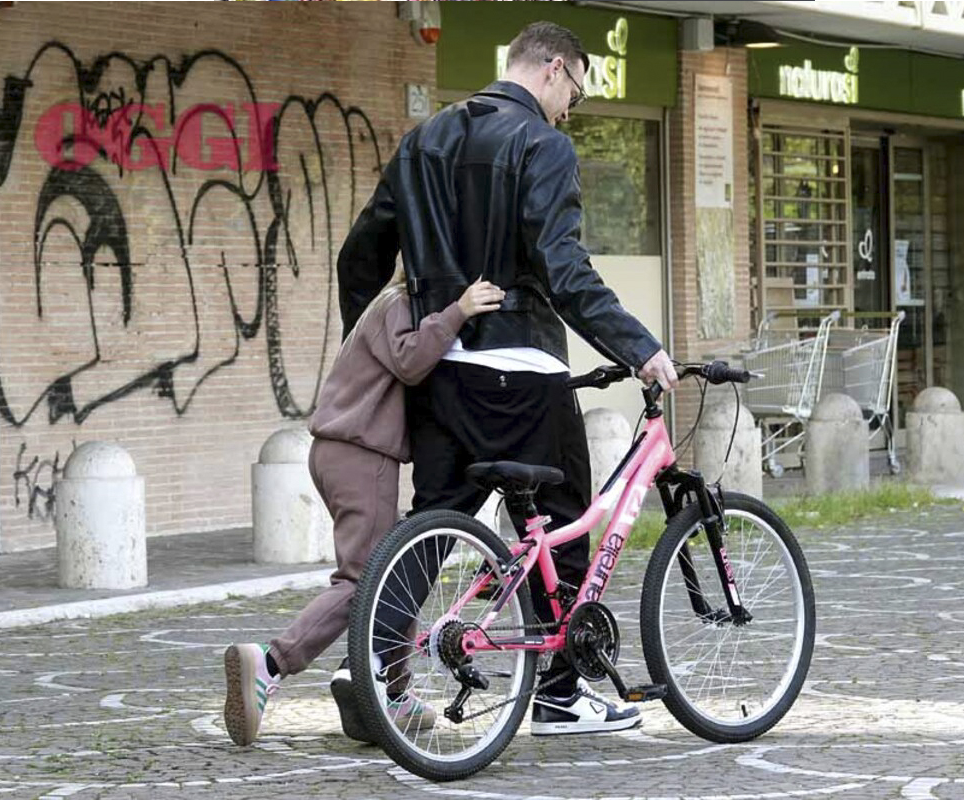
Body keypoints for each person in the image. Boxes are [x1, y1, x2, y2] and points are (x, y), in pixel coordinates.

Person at [335, 21, 678, 736]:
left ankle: (369, 670)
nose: (568, 112)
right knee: (559, 526)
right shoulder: (543, 146)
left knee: (431, 527)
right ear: (554, 69)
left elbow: (359, 257)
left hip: (442, 374)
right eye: (574, 95)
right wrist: (640, 347)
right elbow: (562, 268)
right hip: (522, 368)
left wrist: (381, 353)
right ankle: (560, 695)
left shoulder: (423, 141)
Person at [222, 276, 506, 747]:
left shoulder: (385, 305)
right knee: (365, 583)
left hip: (344, 451)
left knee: (392, 571)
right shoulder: (396, 303)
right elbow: (411, 362)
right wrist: (458, 311)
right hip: (361, 453)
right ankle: (269, 664)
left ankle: (393, 690)